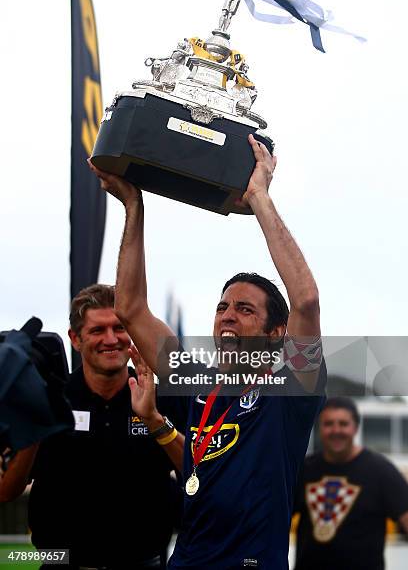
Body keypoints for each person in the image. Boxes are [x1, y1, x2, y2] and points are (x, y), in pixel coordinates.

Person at [90, 134, 326, 569]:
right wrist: (133, 207)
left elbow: (306, 300)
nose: (227, 315)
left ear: (277, 332)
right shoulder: (196, 382)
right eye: (222, 307)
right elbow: (130, 308)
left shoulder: (293, 389)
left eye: (244, 309)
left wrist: (258, 198)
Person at [0, 284, 186, 569]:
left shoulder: (159, 400)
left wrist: (154, 421)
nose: (110, 339)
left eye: (119, 328)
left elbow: (201, 474)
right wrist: (37, 423)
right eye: (98, 330)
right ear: (75, 339)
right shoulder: (50, 400)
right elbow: (7, 492)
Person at [293, 397, 408, 570]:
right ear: (319, 428)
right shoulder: (304, 470)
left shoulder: (381, 471)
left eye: (343, 424)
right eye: (329, 423)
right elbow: (274, 519)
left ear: (355, 428)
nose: (336, 430)